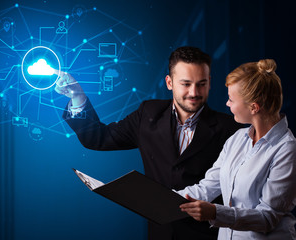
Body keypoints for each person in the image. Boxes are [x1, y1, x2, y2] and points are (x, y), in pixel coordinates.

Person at [55, 46, 243, 240]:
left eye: (201, 84)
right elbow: (98, 138)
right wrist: (77, 96)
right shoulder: (148, 114)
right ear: (169, 83)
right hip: (159, 234)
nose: (194, 92)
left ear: (210, 82)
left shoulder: (230, 129)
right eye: (185, 84)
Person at [177, 59, 296, 239]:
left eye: (231, 99)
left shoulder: (287, 149)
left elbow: (267, 217)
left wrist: (215, 213)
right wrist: (164, 199)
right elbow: (207, 187)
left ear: (254, 107)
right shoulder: (237, 139)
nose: (227, 104)